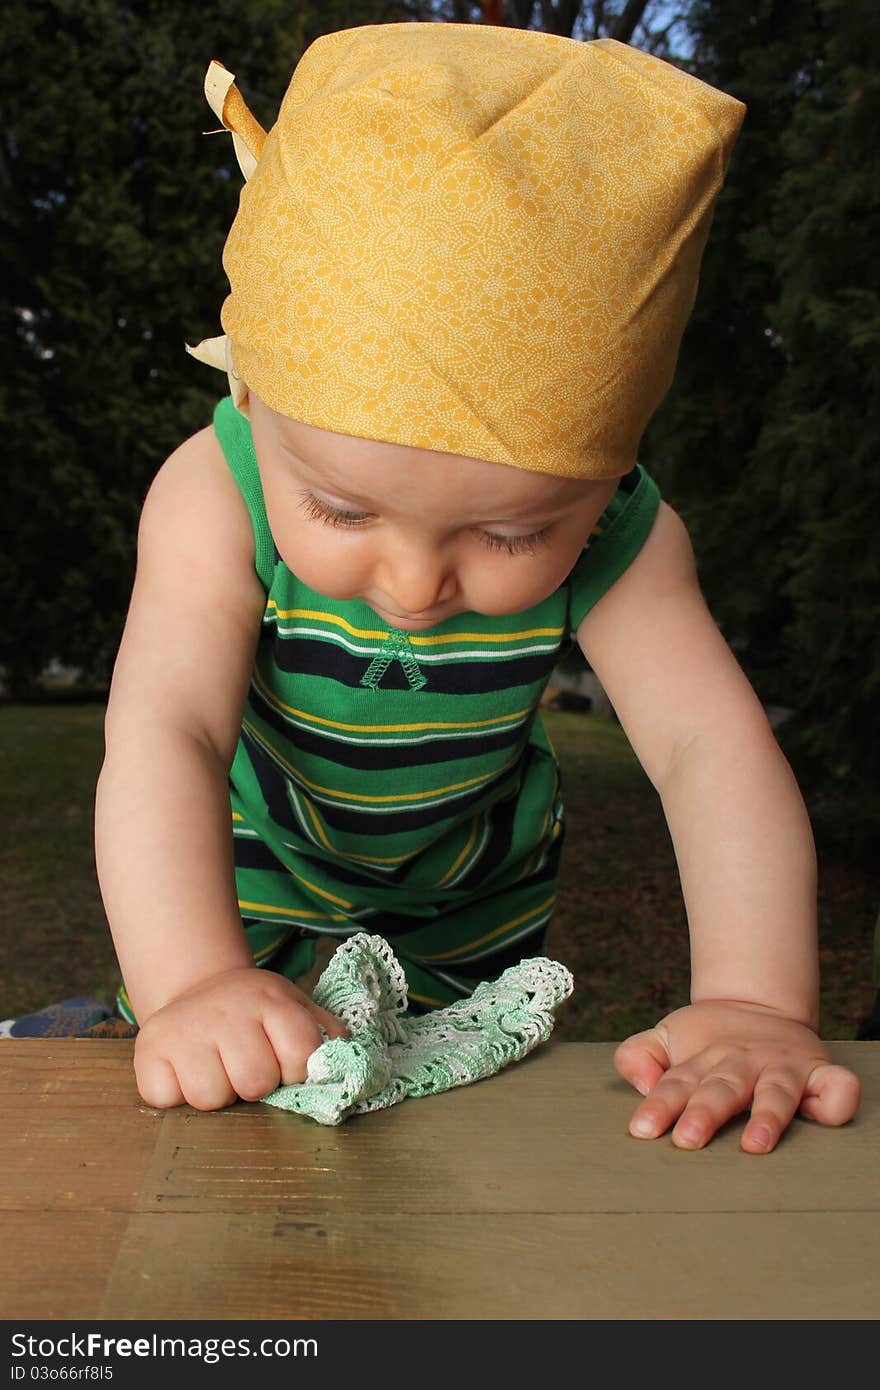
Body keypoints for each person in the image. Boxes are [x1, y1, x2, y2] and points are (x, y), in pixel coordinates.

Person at [94, 21, 861, 1150]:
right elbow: (168, 732)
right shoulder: (217, 490)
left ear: (599, 487)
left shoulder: (621, 531)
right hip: (236, 904)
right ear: (258, 404)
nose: (412, 583)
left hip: (470, 930)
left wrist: (754, 1004)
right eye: (345, 511)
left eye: (510, 532)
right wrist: (192, 975)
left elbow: (708, 748)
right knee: (223, 1163)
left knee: (454, 1187)